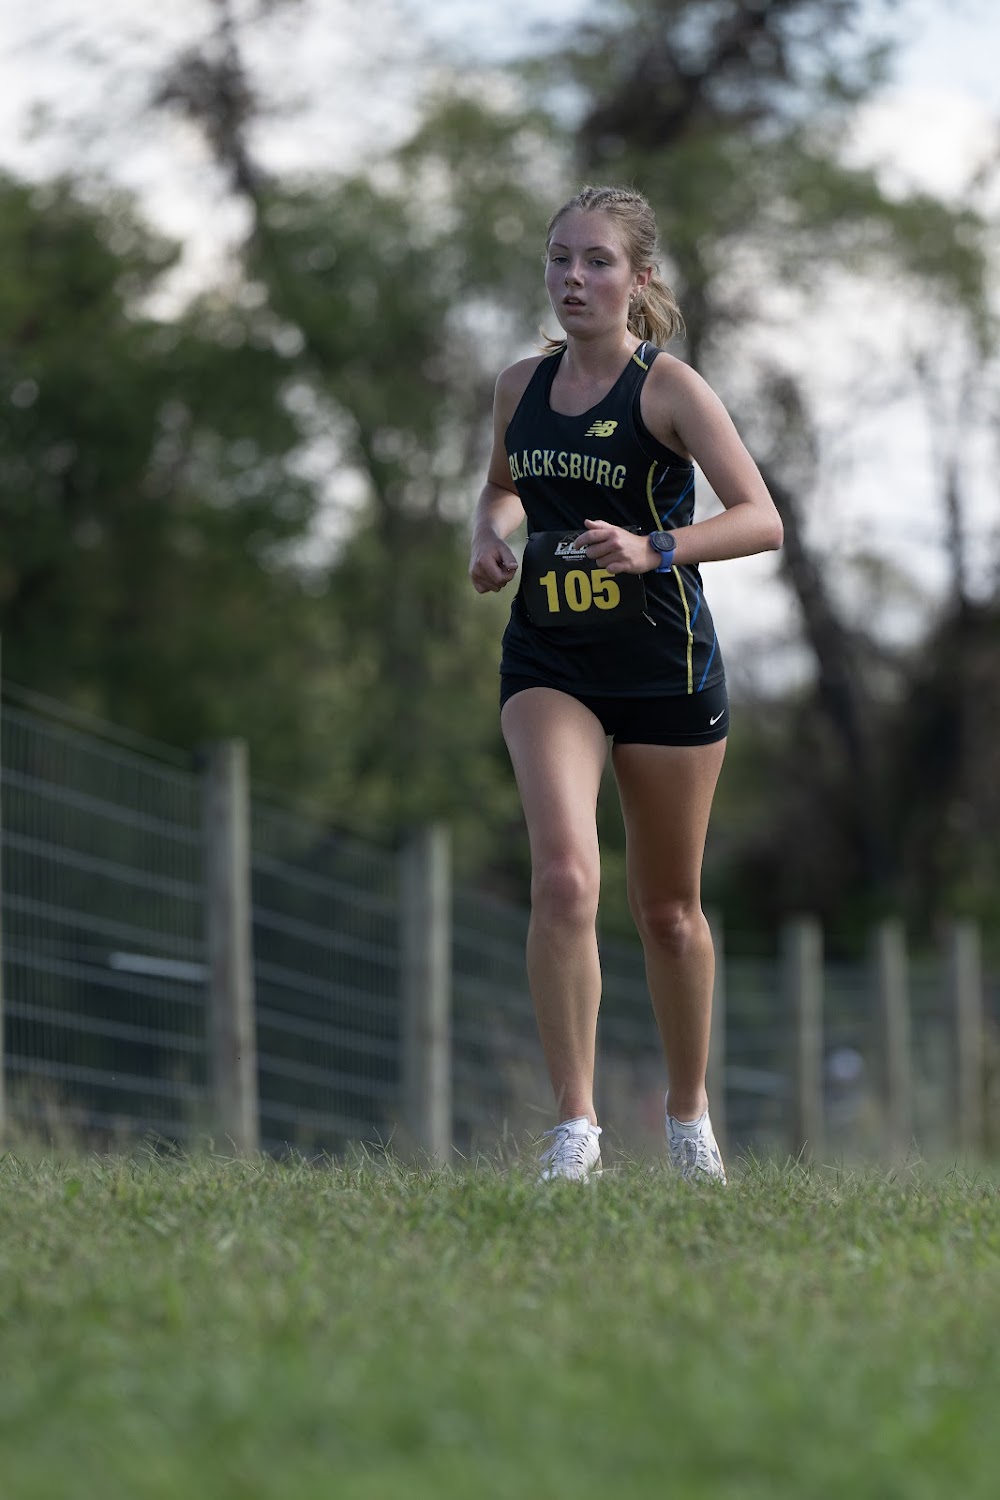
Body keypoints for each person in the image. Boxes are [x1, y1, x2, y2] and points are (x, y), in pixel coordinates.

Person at [468, 184, 783, 1183]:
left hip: (663, 666)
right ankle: (576, 1130)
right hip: (550, 660)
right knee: (564, 877)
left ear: (638, 279)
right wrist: (489, 536)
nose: (573, 277)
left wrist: (656, 547)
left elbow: (761, 518)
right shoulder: (518, 386)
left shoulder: (670, 390)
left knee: (668, 913)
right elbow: (503, 487)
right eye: (559, 257)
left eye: (596, 261)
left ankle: (688, 1120)